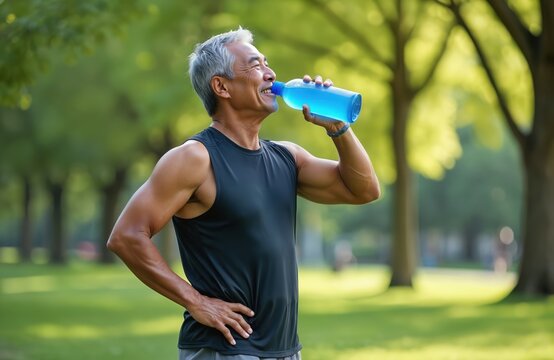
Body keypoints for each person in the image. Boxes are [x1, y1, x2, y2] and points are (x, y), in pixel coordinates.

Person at [107, 27, 380, 360]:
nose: (271, 73)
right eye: (255, 65)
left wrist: (338, 128)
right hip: (225, 349)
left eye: (267, 63)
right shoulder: (194, 158)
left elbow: (364, 189)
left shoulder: (287, 157)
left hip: (285, 349)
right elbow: (126, 236)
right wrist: (196, 302)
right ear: (221, 86)